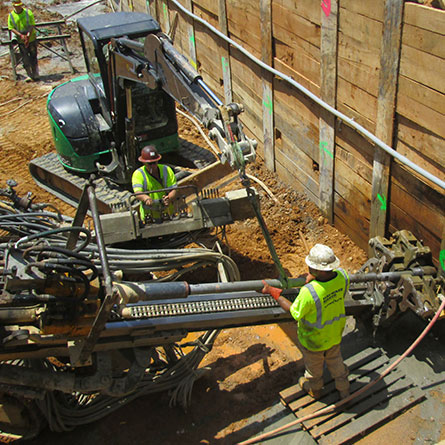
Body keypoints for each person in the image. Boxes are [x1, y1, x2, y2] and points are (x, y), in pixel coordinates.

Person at [262, 244, 350, 400]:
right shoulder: (343, 276)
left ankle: (315, 389)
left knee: (314, 369)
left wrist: (273, 293)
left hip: (314, 341)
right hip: (334, 334)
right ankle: (344, 390)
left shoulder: (309, 293)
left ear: (317, 270)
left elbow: (293, 312)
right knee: (336, 362)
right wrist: (316, 278)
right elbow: (331, 284)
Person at [132, 145, 177, 222]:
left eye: (154, 163)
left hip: (168, 214)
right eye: (150, 164)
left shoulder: (166, 170)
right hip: (149, 218)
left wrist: (169, 198)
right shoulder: (138, 174)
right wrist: (145, 198)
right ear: (144, 163)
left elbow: (174, 189)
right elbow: (137, 193)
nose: (153, 166)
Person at [8, 0, 39, 82]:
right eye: (16, 6)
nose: (18, 7)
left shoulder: (28, 13)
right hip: (21, 40)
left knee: (33, 56)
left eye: (19, 5)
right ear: (13, 6)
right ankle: (29, 74)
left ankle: (35, 73)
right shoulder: (11, 15)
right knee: (25, 57)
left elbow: (32, 24)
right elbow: (11, 28)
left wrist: (28, 35)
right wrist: (20, 35)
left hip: (31, 38)